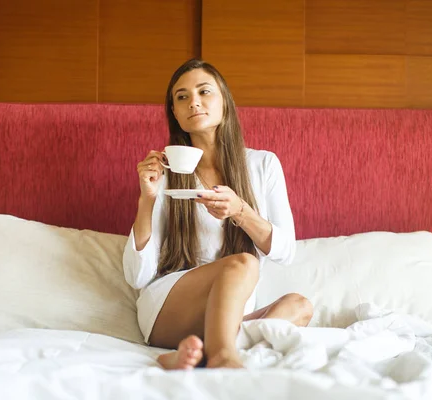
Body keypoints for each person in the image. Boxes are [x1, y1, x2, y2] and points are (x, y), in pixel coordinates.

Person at [122, 59, 313, 370]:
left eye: (204, 91)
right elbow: (136, 276)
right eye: (181, 97)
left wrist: (240, 210)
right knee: (243, 262)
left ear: (224, 100)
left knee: (299, 306)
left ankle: (198, 354)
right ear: (175, 112)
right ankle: (222, 359)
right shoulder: (166, 173)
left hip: (229, 312)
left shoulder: (263, 165)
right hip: (170, 308)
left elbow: (285, 251)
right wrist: (147, 198)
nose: (193, 101)